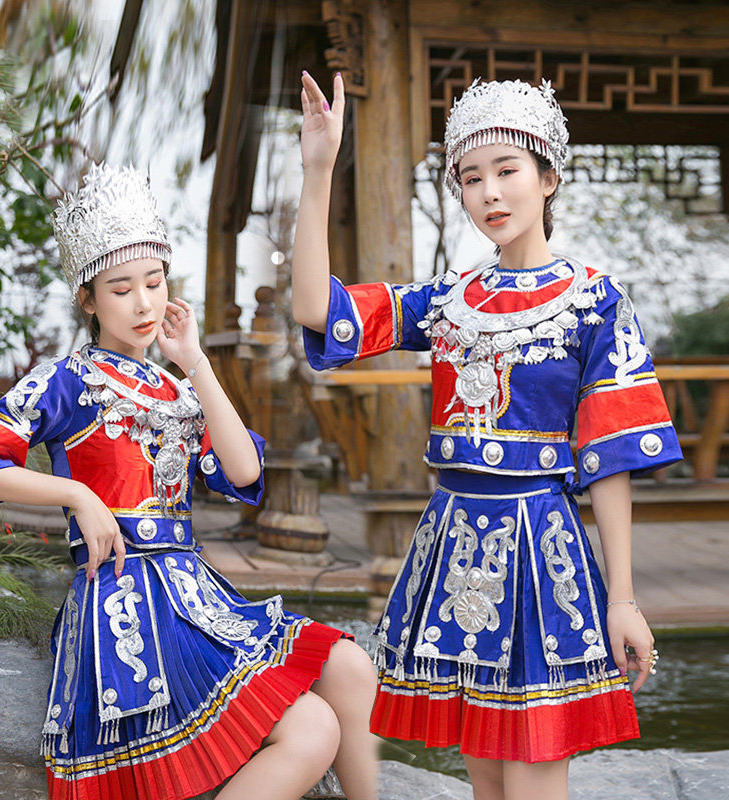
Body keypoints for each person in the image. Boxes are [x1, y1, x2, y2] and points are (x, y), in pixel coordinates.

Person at [0, 163, 378, 800]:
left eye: (153, 281)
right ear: (87, 298)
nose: (143, 303)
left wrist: (195, 361)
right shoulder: (65, 381)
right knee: (310, 731)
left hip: (195, 594)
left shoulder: (176, 387)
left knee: (351, 666)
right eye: (120, 289)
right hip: (126, 604)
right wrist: (77, 494)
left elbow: (245, 473)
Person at [292, 73, 681, 800]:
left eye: (507, 171)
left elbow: (610, 460)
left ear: (549, 178)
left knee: (534, 783)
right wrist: (319, 170)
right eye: (471, 177)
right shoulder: (447, 300)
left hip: (543, 555)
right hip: (453, 550)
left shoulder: (593, 302)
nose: (490, 193)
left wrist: (621, 598)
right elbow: (318, 308)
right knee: (485, 785)